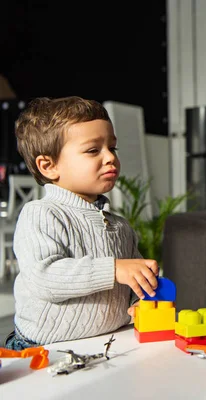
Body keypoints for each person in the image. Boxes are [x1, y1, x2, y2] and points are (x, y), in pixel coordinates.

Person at [3, 96, 159, 350]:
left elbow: (131, 282)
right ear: (49, 165)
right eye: (93, 150)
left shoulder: (120, 226)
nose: (110, 157)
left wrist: (141, 298)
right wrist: (113, 270)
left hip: (106, 343)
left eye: (112, 148)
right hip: (43, 348)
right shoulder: (41, 214)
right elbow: (44, 277)